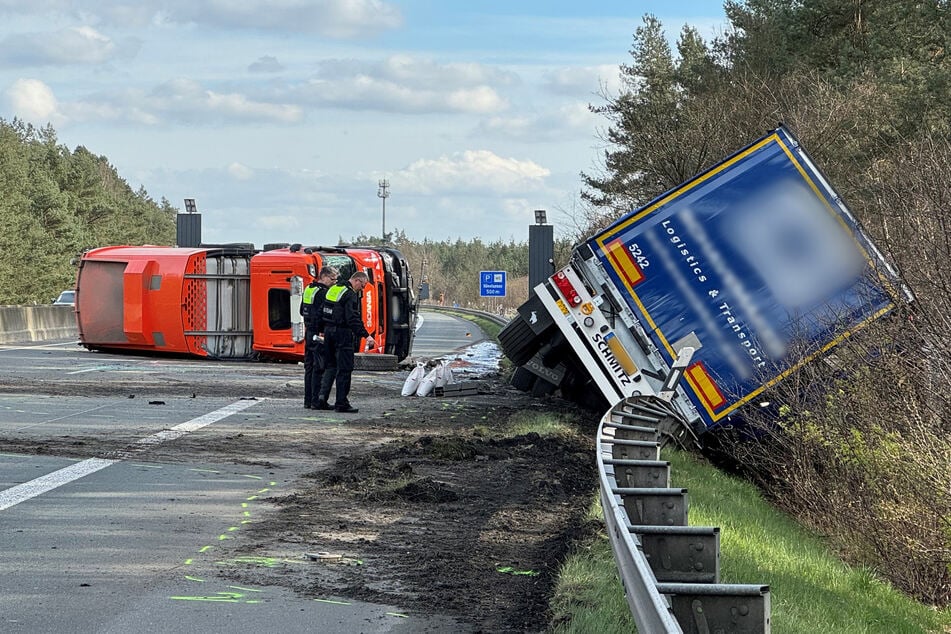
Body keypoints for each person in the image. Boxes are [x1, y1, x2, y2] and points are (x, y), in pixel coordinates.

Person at [316, 271, 374, 413]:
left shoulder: (334, 289)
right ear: (357, 281)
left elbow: (322, 311)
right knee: (345, 368)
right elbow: (352, 318)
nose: (362, 289)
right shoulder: (349, 294)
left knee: (330, 367)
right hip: (342, 334)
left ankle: (321, 399)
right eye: (363, 285)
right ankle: (341, 403)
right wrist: (366, 336)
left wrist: (321, 330)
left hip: (329, 332)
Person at [300, 266, 337, 409]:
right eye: (332, 279)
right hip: (319, 333)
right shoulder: (323, 293)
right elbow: (324, 314)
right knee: (319, 367)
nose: (334, 282)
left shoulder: (309, 289)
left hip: (309, 332)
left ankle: (308, 400)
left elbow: (302, 310)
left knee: (309, 367)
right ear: (324, 277)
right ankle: (317, 401)